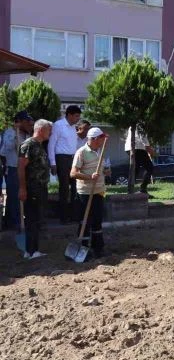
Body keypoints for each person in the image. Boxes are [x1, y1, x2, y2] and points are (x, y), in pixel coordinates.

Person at [71, 127, 109, 258]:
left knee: (97, 221)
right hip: (85, 192)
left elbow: (102, 170)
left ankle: (98, 248)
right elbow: (73, 173)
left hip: (99, 191)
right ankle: (83, 248)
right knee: (85, 221)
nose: (102, 141)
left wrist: (105, 172)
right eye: (100, 138)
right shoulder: (81, 152)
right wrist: (89, 177)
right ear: (94, 139)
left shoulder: (101, 151)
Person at [18, 119, 53, 259]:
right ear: (41, 130)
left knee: (37, 219)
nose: (50, 133)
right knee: (32, 219)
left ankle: (32, 250)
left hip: (40, 187)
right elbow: (21, 167)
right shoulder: (29, 144)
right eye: (49, 130)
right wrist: (22, 188)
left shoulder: (39, 145)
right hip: (32, 187)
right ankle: (31, 251)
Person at [1, 112, 34, 233]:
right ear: (19, 122)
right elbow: (4, 151)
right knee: (14, 196)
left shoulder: (27, 134)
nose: (28, 124)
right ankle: (14, 222)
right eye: (26, 122)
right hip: (13, 168)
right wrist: (15, 136)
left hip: (26, 169)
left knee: (24, 196)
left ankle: (19, 219)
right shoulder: (9, 133)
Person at [48, 105, 82, 223]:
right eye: (76, 116)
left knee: (75, 187)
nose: (78, 119)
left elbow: (74, 145)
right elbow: (51, 144)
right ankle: (63, 217)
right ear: (69, 115)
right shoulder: (58, 125)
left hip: (72, 158)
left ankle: (74, 215)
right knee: (64, 188)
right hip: (61, 158)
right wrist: (52, 162)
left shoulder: (73, 128)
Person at [124, 126, 154, 196]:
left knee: (135, 169)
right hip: (138, 148)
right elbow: (143, 138)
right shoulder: (141, 124)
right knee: (149, 167)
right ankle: (142, 189)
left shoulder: (134, 123)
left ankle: (130, 190)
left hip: (130, 147)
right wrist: (151, 150)